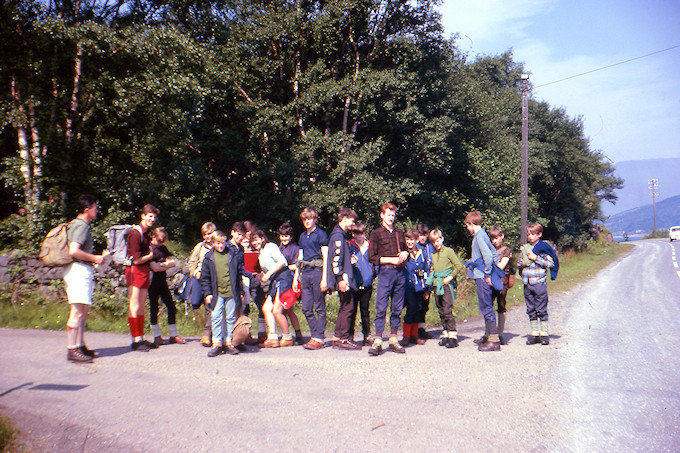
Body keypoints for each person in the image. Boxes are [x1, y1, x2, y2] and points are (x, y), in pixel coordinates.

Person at [63, 194, 107, 363]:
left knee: (82, 311)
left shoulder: (76, 224)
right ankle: (72, 349)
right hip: (78, 270)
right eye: (95, 208)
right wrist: (95, 258)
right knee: (77, 311)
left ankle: (79, 346)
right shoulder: (81, 226)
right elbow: (73, 251)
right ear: (87, 210)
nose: (97, 211)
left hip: (79, 269)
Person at [367, 202, 409, 356]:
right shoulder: (376, 233)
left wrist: (406, 254)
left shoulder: (399, 232)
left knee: (397, 307)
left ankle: (393, 339)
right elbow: (372, 257)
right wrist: (390, 260)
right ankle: (378, 340)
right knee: (381, 306)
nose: (391, 217)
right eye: (388, 214)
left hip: (400, 273)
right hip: (385, 272)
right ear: (382, 215)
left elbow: (404, 251)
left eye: (393, 215)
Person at [250, 229, 298, 348]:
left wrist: (268, 274)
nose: (254, 243)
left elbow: (282, 262)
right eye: (252, 241)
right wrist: (260, 275)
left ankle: (287, 337)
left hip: (283, 278)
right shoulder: (260, 252)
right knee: (266, 308)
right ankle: (272, 337)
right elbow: (266, 271)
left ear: (262, 238)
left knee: (277, 310)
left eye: (256, 239)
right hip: (275, 281)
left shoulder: (271, 246)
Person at [200, 230, 244, 357]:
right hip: (216, 293)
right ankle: (217, 343)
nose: (221, 246)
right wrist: (207, 293)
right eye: (218, 243)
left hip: (231, 291)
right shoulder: (209, 257)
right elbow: (205, 278)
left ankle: (229, 342)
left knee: (231, 318)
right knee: (216, 317)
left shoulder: (232, 254)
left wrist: (240, 291)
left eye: (223, 243)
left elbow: (238, 275)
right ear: (213, 243)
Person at [464, 210, 501, 352]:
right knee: (487, 306)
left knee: (486, 307)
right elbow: (494, 256)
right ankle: (488, 336)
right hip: (482, 274)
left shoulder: (479, 237)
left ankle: (494, 341)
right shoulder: (484, 235)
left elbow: (489, 258)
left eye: (467, 225)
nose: (467, 228)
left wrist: (487, 273)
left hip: (482, 277)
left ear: (472, 224)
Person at [293, 207, 328, 350]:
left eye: (309, 218)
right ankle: (316, 336)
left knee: (319, 307)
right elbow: (300, 258)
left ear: (315, 219)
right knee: (306, 308)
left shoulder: (321, 235)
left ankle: (318, 338)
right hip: (305, 273)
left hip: (318, 271)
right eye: (304, 219)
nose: (307, 221)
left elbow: (326, 257)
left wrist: (325, 278)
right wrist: (296, 277)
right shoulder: (302, 236)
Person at [326, 208, 361, 350]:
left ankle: (337, 337)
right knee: (348, 307)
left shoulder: (341, 235)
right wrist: (340, 279)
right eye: (352, 220)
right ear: (345, 218)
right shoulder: (338, 236)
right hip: (344, 279)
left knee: (345, 306)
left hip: (345, 276)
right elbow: (335, 260)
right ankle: (344, 339)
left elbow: (341, 256)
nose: (353, 223)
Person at [126, 204, 160, 352]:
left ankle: (140, 337)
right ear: (143, 216)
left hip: (144, 270)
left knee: (140, 306)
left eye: (154, 217)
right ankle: (135, 340)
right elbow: (135, 260)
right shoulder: (135, 233)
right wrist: (151, 256)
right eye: (150, 216)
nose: (152, 219)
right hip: (135, 270)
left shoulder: (147, 233)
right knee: (134, 306)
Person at [518, 222, 557, 346]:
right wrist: (523, 263)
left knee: (541, 309)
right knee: (531, 309)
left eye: (533, 234)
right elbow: (519, 262)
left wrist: (536, 258)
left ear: (539, 234)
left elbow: (550, 264)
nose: (530, 236)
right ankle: (534, 334)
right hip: (527, 283)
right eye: (529, 234)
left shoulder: (543, 248)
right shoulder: (525, 248)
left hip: (539, 283)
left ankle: (544, 334)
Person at [427, 229, 464, 348]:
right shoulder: (433, 255)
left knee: (447, 309)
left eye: (438, 240)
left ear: (442, 238)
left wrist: (450, 277)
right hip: (436, 284)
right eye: (434, 242)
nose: (436, 244)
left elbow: (458, 266)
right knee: (441, 309)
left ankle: (453, 335)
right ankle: (445, 333)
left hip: (446, 284)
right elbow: (433, 268)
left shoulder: (448, 251)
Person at [148, 227, 185, 346]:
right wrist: (165, 264)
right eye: (159, 241)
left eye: (162, 242)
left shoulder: (163, 248)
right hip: (152, 282)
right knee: (154, 308)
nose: (160, 244)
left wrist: (163, 265)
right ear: (153, 237)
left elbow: (172, 262)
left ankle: (173, 334)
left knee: (171, 306)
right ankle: (156, 336)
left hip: (162, 281)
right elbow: (154, 267)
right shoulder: (149, 248)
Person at [187, 222, 215, 347]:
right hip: (202, 280)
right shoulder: (200, 247)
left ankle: (212, 335)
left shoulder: (218, 245)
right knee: (208, 306)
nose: (208, 236)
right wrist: (195, 272)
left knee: (214, 307)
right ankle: (207, 335)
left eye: (210, 234)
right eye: (205, 234)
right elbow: (191, 263)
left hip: (216, 280)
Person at [400, 229, 429, 347]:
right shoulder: (403, 253)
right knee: (411, 309)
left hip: (420, 287)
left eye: (412, 239)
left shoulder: (422, 252)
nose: (409, 242)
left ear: (416, 240)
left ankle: (414, 335)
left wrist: (427, 288)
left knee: (418, 309)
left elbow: (426, 270)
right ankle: (406, 336)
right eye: (407, 239)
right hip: (408, 287)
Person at [278, 222, 304, 344]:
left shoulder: (295, 248)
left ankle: (295, 334)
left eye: (286, 236)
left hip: (291, 280)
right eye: (282, 236)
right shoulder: (279, 248)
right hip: (281, 280)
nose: (284, 238)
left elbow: (298, 265)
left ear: (291, 236)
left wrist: (284, 267)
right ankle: (297, 333)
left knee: (287, 308)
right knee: (287, 309)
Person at [349, 223, 374, 345]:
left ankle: (367, 335)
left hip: (367, 283)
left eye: (362, 233)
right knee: (352, 310)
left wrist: (373, 274)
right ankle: (350, 335)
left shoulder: (371, 246)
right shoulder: (349, 246)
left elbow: (376, 262)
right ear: (353, 234)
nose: (360, 236)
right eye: (357, 233)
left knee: (365, 310)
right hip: (354, 284)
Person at [488, 225, 513, 345]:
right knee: (488, 306)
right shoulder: (489, 249)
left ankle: (500, 334)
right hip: (490, 281)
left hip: (502, 281)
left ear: (501, 236)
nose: (494, 241)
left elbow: (501, 266)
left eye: (496, 238)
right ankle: (488, 333)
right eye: (492, 239)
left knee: (501, 306)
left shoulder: (506, 250)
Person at [416, 224, 435, 340]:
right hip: (416, 282)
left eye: (424, 235)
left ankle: (421, 329)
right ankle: (413, 330)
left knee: (424, 306)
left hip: (427, 281)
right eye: (420, 235)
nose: (422, 238)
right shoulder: (414, 246)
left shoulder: (429, 247)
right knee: (415, 306)